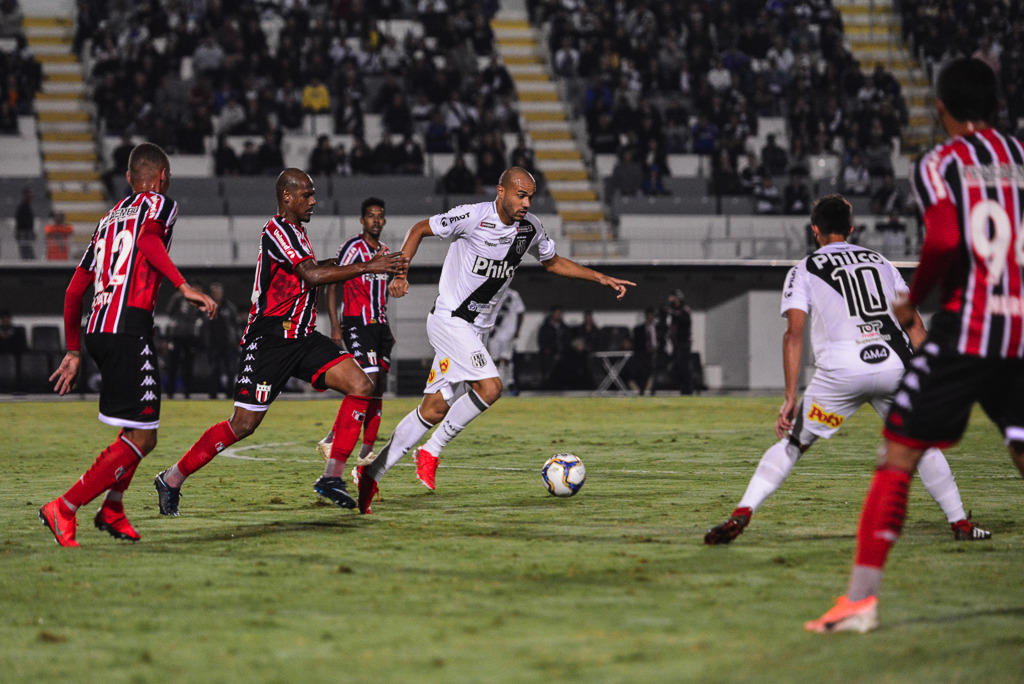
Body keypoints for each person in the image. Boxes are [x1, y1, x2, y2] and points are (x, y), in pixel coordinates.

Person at [806, 59, 1024, 634]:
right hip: (1019, 327)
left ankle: (859, 603)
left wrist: (914, 300)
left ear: (941, 108)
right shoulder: (1021, 156)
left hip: (967, 327)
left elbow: (949, 238)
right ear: (997, 105)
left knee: (899, 452)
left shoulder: (938, 163)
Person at [705, 192, 990, 550]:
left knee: (792, 444)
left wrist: (790, 396)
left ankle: (742, 512)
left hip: (842, 372)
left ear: (815, 231)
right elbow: (913, 324)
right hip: (893, 367)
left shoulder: (804, 269)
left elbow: (794, 334)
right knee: (923, 443)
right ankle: (960, 522)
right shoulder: (882, 263)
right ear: (851, 229)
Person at [354, 167, 635, 513]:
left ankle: (371, 471)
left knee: (434, 408)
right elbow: (419, 229)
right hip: (449, 320)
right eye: (521, 194)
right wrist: (401, 272)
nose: (526, 202)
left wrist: (600, 277)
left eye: (531, 196)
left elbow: (552, 261)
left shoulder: (529, 229)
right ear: (501, 192)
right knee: (490, 387)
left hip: (476, 330)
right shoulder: (473, 216)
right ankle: (432, 449)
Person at [152, 170, 405, 516]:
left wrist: (364, 265)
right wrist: (365, 267)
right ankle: (172, 478)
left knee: (362, 384)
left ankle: (332, 477)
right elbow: (312, 275)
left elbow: (315, 269)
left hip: (301, 337)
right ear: (287, 197)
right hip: (270, 339)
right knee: (242, 425)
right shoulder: (277, 230)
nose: (313, 201)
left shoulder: (296, 232)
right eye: (307, 195)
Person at [38, 142, 218, 547]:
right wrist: (183, 286)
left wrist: (72, 350)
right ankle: (64, 507)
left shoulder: (106, 221)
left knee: (138, 431)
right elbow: (148, 243)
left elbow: (73, 291)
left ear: (128, 180)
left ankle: (113, 507)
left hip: (98, 330)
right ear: (162, 178)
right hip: (127, 329)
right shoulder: (159, 205)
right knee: (142, 437)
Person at [315, 197, 396, 477]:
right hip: (356, 323)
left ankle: (365, 451)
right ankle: (330, 439)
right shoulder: (353, 248)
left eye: (380, 215)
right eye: (371, 215)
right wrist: (335, 324)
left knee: (379, 385)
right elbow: (333, 283)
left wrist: (399, 283)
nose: (376, 220)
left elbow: (389, 285)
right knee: (368, 380)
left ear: (384, 220)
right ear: (363, 220)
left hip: (380, 325)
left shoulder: (385, 251)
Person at [164, 283, 204, 398]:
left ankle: (187, 392)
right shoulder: (178, 297)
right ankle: (170, 391)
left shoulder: (198, 299)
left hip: (190, 336)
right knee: (173, 365)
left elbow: (202, 317)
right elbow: (170, 313)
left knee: (188, 366)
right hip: (177, 335)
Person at [485, 287, 525, 395]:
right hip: (494, 333)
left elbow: (520, 312)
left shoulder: (513, 295)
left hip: (508, 332)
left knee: (506, 359)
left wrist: (517, 330)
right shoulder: (491, 293)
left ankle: (510, 383)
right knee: (495, 360)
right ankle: (498, 384)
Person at [203, 282, 239, 399]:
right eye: (214, 292)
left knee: (230, 370)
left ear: (222, 293)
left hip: (228, 343)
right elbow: (203, 325)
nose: (216, 294)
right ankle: (213, 394)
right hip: (213, 343)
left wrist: (237, 340)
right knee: (213, 370)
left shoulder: (229, 306)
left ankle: (230, 394)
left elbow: (235, 324)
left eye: (218, 292)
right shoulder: (207, 307)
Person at [632, 308, 666, 395]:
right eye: (648, 315)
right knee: (644, 365)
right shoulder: (638, 329)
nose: (650, 317)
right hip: (644, 354)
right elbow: (637, 345)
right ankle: (642, 389)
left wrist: (657, 348)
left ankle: (654, 389)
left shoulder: (659, 329)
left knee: (657, 362)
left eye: (652, 315)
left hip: (657, 354)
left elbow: (663, 343)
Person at [15, 186, 34, 259]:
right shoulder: (22, 208)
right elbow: (20, 221)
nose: (31, 197)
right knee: (25, 251)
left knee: (27, 250)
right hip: (24, 232)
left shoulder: (28, 207)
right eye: (29, 195)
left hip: (26, 232)